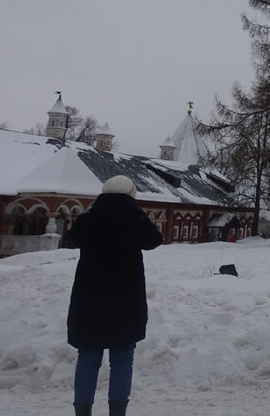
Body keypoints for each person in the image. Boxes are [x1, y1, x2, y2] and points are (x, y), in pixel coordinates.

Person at [66, 175, 164, 416]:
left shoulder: (87, 221)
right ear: (131, 196)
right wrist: (138, 215)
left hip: (89, 301)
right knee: (122, 359)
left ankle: (82, 412)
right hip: (125, 302)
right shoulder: (136, 221)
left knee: (88, 358)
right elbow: (154, 240)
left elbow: (71, 239)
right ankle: (118, 412)